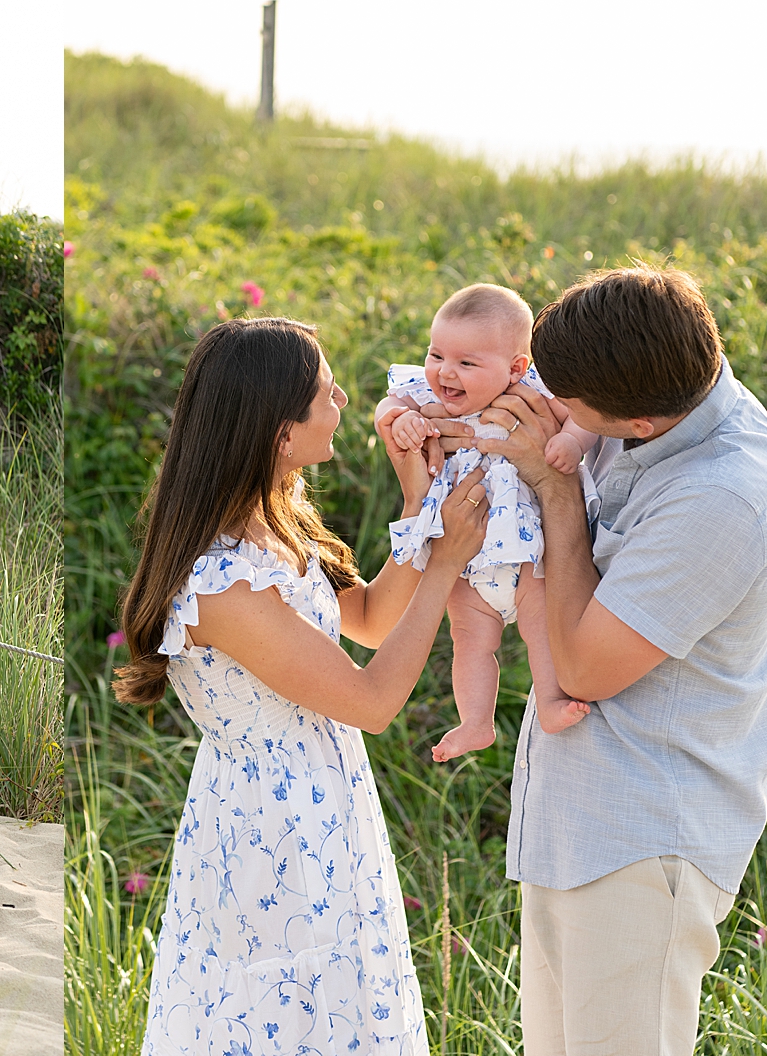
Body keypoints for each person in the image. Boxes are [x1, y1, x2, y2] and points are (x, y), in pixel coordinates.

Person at [114, 315, 488, 1055]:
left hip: (323, 808)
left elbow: (374, 620)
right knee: (281, 1017)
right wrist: (443, 563)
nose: (344, 398)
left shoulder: (272, 524)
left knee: (332, 1011)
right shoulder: (222, 580)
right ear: (281, 432)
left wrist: (418, 498)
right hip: (271, 832)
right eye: (325, 392)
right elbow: (374, 700)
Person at [458, 266, 767, 1054]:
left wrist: (555, 485)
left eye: (569, 409)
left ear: (637, 422)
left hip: (643, 843)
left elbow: (582, 668)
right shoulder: (641, 382)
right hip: (580, 824)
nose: (555, 417)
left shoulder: (723, 496)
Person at [374, 284, 598, 761]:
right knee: (469, 640)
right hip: (463, 559)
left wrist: (573, 443)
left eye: (466, 363)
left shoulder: (533, 391)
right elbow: (388, 406)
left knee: (543, 626)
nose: (443, 372)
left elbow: (581, 414)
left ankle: (553, 699)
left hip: (524, 553)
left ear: (515, 368)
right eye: (436, 354)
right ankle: (476, 722)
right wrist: (398, 421)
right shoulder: (423, 392)